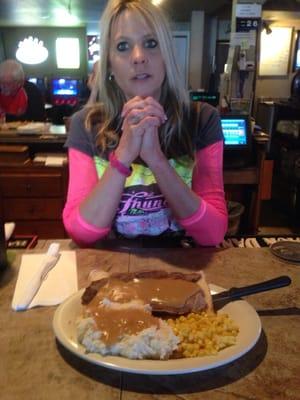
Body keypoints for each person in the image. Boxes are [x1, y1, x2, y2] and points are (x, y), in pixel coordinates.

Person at [63, 0, 228, 247]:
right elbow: (81, 233)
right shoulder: (85, 125)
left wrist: (156, 159)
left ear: (167, 54)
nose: (139, 57)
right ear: (109, 63)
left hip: (183, 273)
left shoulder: (202, 119)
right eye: (123, 46)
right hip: (111, 274)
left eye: (151, 43)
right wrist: (123, 156)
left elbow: (213, 233)